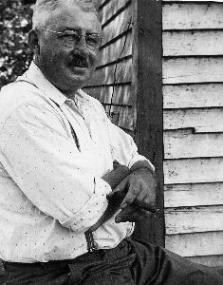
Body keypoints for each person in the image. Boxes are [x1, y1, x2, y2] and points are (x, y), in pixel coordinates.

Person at [0, 0, 222, 284]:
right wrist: (123, 176)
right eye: (68, 36)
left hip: (122, 255)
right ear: (35, 41)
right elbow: (84, 212)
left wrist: (139, 173)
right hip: (62, 274)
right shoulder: (19, 107)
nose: (83, 51)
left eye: (92, 39)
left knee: (208, 280)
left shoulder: (87, 106)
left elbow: (134, 156)